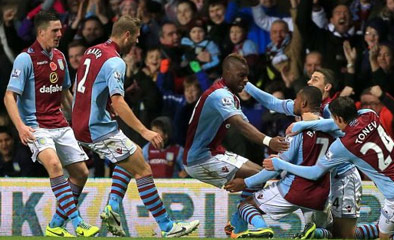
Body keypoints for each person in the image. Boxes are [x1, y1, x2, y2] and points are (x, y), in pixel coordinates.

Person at [264, 97, 394, 240]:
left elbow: (315, 172)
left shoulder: (342, 146)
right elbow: (337, 124)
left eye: (334, 119)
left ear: (340, 119)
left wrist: (281, 164)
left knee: (385, 236)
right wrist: (305, 126)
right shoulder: (370, 114)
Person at [71, 16, 199, 237]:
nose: (137, 43)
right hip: (96, 127)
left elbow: (83, 88)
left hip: (80, 122)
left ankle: (110, 207)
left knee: (133, 154)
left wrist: (102, 106)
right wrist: (145, 130)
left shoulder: (91, 51)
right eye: (136, 38)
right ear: (127, 35)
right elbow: (119, 101)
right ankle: (168, 227)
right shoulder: (115, 60)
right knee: (143, 170)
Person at [3, 10, 98, 237]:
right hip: (36, 127)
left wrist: (79, 121)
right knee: (54, 166)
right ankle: (77, 222)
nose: (60, 33)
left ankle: (55, 225)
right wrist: (21, 127)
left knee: (81, 173)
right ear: (41, 32)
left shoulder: (60, 57)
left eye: (60, 29)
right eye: (55, 30)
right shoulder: (25, 59)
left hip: (60, 125)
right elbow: (8, 96)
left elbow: (65, 94)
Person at [244, 69, 361, 239]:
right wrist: (246, 85)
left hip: (343, 176)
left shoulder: (331, 110)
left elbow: (349, 129)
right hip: (320, 179)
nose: (309, 82)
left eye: (315, 79)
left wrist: (304, 125)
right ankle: (319, 233)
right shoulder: (303, 107)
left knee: (343, 235)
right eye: (309, 78)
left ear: (326, 87)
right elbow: (272, 102)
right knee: (331, 231)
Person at [183, 53, 289, 238]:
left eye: (247, 75)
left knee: (260, 174)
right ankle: (251, 226)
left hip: (214, 152)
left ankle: (236, 226)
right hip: (200, 158)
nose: (246, 80)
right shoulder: (220, 95)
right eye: (241, 75)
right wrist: (268, 141)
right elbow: (240, 125)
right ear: (227, 73)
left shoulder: (231, 96)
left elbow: (245, 125)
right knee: (258, 175)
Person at [224, 86, 334, 239]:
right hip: (321, 194)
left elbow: (274, 168)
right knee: (329, 232)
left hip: (295, 189)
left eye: (296, 99)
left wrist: (245, 182)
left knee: (246, 205)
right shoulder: (332, 128)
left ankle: (262, 229)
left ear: (304, 103)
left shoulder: (296, 131)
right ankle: (315, 233)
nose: (294, 102)